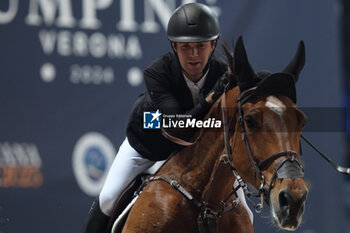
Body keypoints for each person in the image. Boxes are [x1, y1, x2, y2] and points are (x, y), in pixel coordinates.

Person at [82, 3, 232, 232]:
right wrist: (211, 99)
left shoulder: (223, 73)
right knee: (108, 198)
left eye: (200, 46)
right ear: (173, 45)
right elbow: (177, 126)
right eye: (185, 47)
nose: (193, 55)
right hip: (148, 146)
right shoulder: (157, 73)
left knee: (241, 207)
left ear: (213, 45)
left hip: (191, 153)